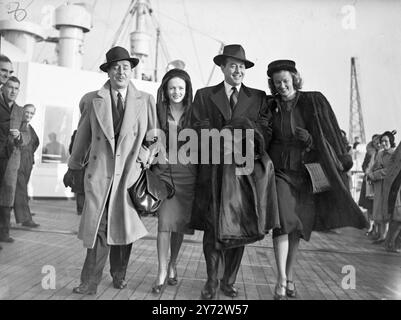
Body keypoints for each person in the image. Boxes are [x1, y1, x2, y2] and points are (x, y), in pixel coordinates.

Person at [265, 60, 367, 299]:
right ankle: (280, 280)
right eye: (277, 82)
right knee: (283, 222)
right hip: (280, 171)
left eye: (286, 81)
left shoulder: (313, 100)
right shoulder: (270, 105)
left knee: (297, 228)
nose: (282, 86)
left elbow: (330, 131)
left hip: (307, 174)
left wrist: (310, 140)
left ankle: (290, 277)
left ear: (295, 79)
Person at [63, 46, 157, 295]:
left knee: (124, 228)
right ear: (108, 71)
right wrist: (73, 167)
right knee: (100, 229)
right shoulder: (93, 99)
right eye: (115, 67)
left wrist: (143, 158)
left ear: (131, 70)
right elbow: (82, 136)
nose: (121, 71)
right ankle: (90, 282)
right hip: (101, 175)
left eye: (125, 67)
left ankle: (119, 274)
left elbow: (154, 137)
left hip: (128, 175)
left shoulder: (146, 100)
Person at [190, 44, 278, 300]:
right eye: (233, 65)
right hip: (213, 173)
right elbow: (194, 128)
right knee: (212, 230)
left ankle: (228, 281)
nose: (238, 70)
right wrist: (216, 137)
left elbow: (266, 130)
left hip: (242, 174)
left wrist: (245, 133)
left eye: (242, 66)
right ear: (222, 67)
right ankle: (210, 281)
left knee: (238, 228)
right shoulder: (205, 95)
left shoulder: (258, 97)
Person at [150, 68, 197, 294]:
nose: (176, 92)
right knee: (164, 224)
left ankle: (173, 264)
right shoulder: (158, 109)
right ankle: (160, 271)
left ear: (187, 90)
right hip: (164, 173)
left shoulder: (194, 112)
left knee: (179, 225)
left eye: (180, 88)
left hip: (187, 174)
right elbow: (150, 135)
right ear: (165, 90)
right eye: (172, 88)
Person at [0, 76, 28, 243]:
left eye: (16, 88)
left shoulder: (20, 110)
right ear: (3, 88)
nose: (13, 91)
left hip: (11, 159)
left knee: (8, 193)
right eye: (10, 87)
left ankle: (4, 233)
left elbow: (27, 134)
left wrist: (20, 136)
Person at [367, 131, 396, 244]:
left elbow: (390, 170)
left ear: (391, 142)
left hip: (388, 185)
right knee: (378, 208)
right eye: (382, 141)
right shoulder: (379, 154)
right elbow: (374, 166)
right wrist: (370, 173)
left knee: (386, 210)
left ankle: (384, 236)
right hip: (378, 185)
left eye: (386, 141)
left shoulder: (394, 155)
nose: (383, 143)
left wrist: (374, 175)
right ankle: (380, 235)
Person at [13, 104, 40, 228]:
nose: (29, 115)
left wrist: (30, 156)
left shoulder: (30, 128)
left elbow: (36, 142)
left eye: (31, 113)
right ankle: (25, 218)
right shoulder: (17, 126)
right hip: (18, 163)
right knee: (20, 191)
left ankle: (22, 213)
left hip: (27, 163)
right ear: (22, 112)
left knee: (19, 191)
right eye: (27, 112)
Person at [358, 134, 382, 236]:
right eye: (374, 142)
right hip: (368, 181)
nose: (376, 144)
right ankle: (370, 226)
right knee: (369, 205)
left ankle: (377, 229)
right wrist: (367, 172)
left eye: (378, 142)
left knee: (377, 205)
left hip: (378, 181)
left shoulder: (382, 153)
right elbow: (364, 165)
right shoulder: (369, 153)